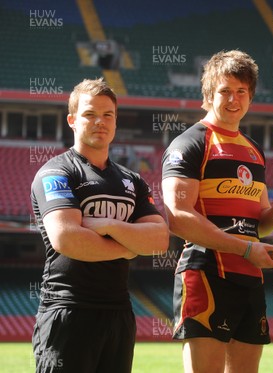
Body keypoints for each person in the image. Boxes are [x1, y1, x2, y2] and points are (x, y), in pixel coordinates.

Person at [161, 50, 273, 373]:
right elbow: (178, 217)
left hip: (250, 277)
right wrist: (247, 248)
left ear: (251, 97)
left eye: (242, 92)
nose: (233, 99)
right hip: (207, 273)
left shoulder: (254, 151)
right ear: (209, 95)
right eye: (225, 91)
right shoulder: (189, 144)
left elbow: (259, 225)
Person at [30, 78, 170, 372]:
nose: (100, 122)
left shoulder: (132, 180)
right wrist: (130, 247)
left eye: (108, 115)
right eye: (90, 114)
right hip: (68, 309)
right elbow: (67, 238)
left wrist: (106, 224)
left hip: (119, 313)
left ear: (116, 122)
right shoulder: (57, 171)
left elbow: (159, 239)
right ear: (72, 120)